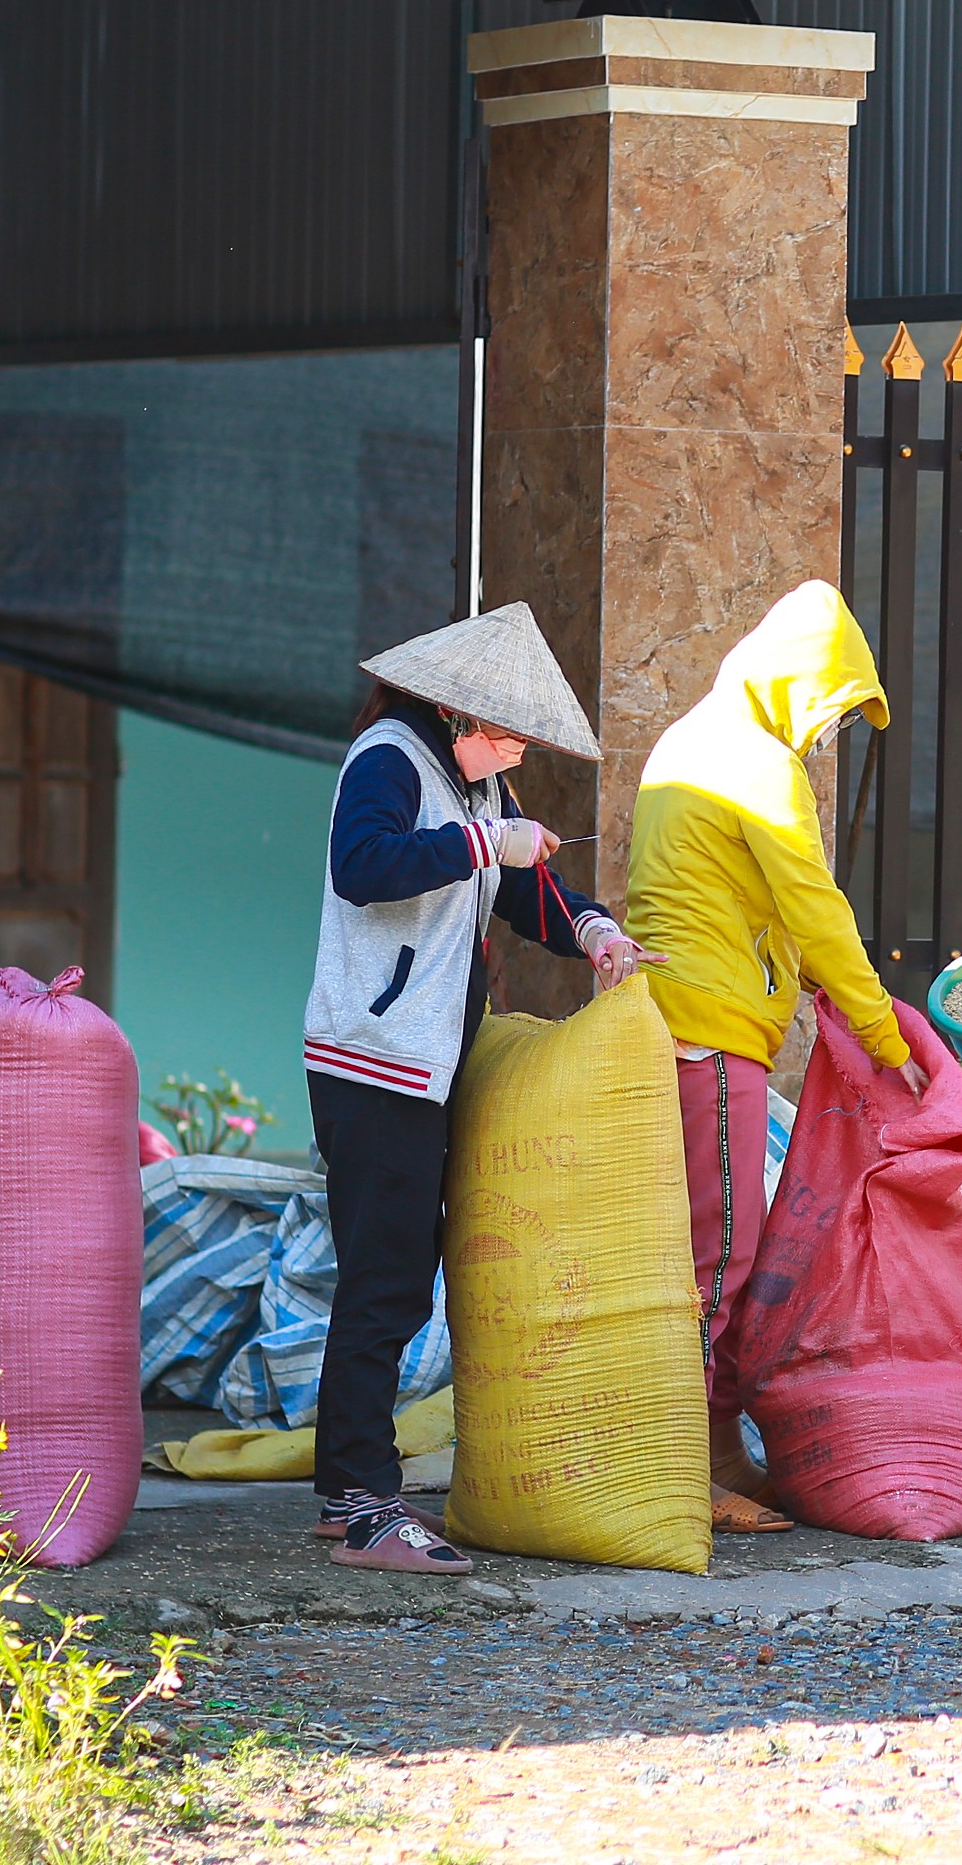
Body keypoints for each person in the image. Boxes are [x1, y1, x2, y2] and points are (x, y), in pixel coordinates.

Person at [304, 602, 657, 1575]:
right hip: (370, 1060)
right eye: (504, 732)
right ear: (455, 712)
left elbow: (519, 892)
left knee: (394, 1275)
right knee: (381, 1283)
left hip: (419, 1064)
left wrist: (592, 931)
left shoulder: (475, 787)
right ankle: (367, 1506)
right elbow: (361, 866)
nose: (514, 750)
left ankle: (348, 1495)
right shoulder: (387, 757)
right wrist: (477, 848)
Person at [626, 580, 931, 1534]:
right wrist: (883, 1034)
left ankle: (707, 1450)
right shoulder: (756, 761)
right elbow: (813, 903)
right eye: (829, 710)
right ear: (797, 686)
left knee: (696, 1256)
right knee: (718, 1258)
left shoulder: (692, 739)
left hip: (670, 1022)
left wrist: (798, 977)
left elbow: (733, 892)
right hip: (710, 1034)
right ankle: (684, 1471)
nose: (824, 734)